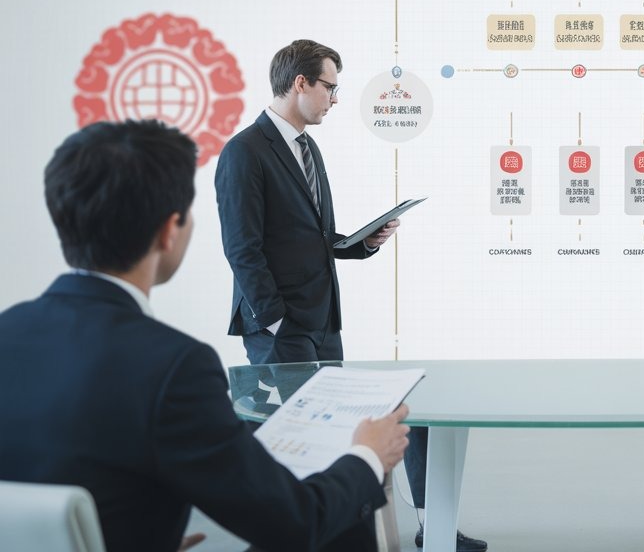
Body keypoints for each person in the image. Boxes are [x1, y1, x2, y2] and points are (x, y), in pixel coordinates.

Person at [0, 120, 410, 552]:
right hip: (284, 329)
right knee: (344, 532)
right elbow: (296, 521)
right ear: (168, 230)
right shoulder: (173, 367)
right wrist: (366, 455)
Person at [215, 39, 486, 552]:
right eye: (330, 87)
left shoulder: (306, 147)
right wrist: (274, 321)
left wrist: (362, 245)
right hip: (281, 329)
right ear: (301, 84)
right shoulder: (244, 151)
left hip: (322, 321)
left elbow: (317, 238)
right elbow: (241, 247)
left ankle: (421, 531)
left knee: (338, 443)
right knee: (303, 451)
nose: (335, 99)